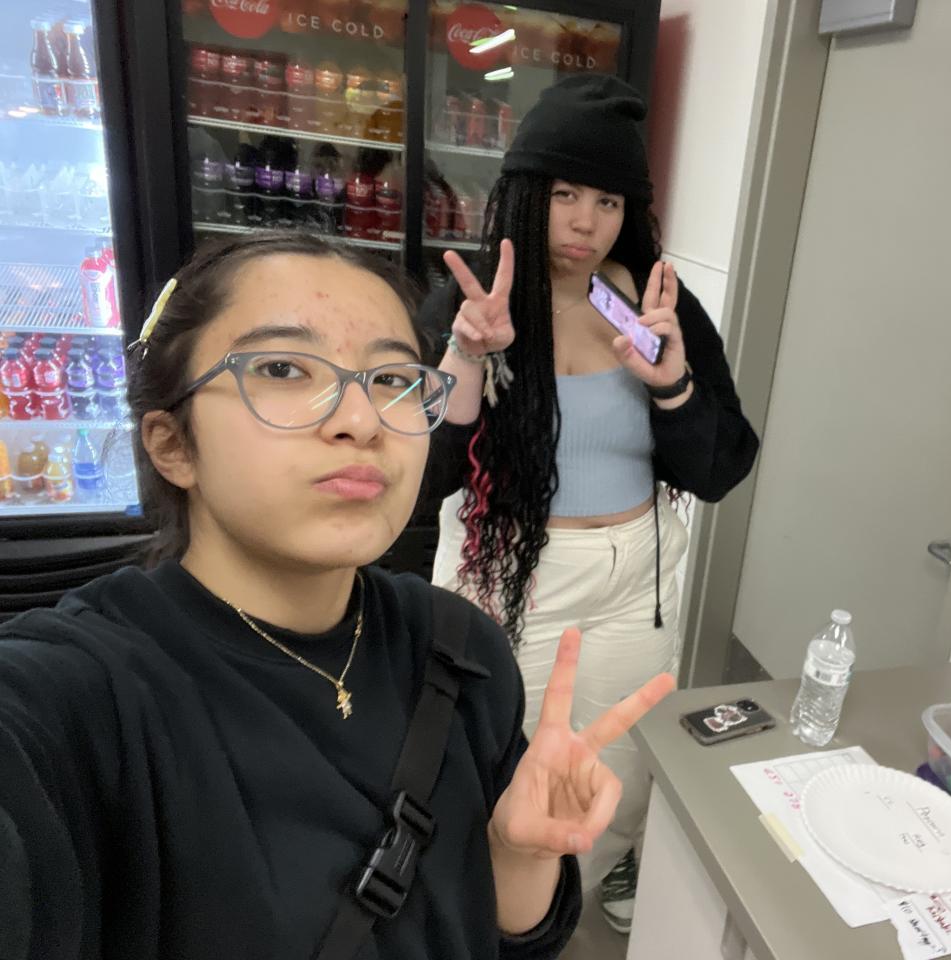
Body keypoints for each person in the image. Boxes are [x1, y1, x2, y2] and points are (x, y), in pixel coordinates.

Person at [0, 233, 673, 959]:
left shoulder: (460, 647)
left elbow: (505, 938)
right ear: (173, 445)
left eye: (392, 378)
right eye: (283, 368)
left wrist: (522, 852)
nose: (362, 420)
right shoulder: (80, 698)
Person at [420, 75, 759, 932]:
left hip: (636, 577)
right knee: (491, 760)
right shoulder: (474, 302)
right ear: (525, 191)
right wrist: (467, 356)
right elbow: (422, 478)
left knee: (617, 762)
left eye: (608, 201)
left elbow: (721, 466)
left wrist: (673, 384)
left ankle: (572, 910)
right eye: (565, 194)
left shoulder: (648, 300)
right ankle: (483, 920)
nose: (585, 222)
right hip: (510, 574)